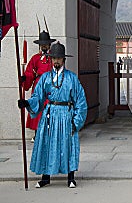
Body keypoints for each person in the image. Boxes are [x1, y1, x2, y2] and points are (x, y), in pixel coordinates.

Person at [17, 42, 87, 188]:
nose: (56, 61)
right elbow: (38, 96)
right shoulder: (45, 78)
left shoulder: (71, 78)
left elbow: (80, 101)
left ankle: (71, 177)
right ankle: (45, 177)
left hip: (66, 114)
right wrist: (27, 103)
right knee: (47, 143)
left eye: (59, 58)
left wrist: (76, 121)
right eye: (53, 58)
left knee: (68, 144)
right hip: (49, 114)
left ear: (64, 60)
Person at [22, 31, 56, 142]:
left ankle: (52, 133)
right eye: (42, 44)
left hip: (51, 85)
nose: (44, 46)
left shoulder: (54, 57)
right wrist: (24, 79)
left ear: (49, 45)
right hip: (38, 85)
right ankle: (37, 133)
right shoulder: (35, 58)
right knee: (38, 107)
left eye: (46, 44)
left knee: (51, 108)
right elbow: (30, 73)